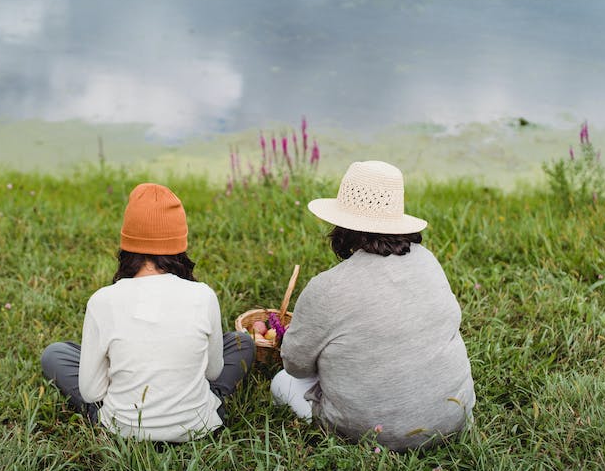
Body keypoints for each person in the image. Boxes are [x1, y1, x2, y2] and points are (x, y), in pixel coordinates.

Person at [271, 160, 475, 451]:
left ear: (343, 226)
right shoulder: (428, 260)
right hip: (453, 415)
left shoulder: (327, 287)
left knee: (281, 383)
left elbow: (296, 366)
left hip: (374, 432)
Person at [41, 183, 255, 442]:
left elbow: (91, 392)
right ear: (180, 245)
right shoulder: (203, 295)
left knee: (56, 354)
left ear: (126, 243)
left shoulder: (102, 300)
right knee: (242, 343)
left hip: (123, 429)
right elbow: (212, 372)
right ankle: (201, 403)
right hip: (196, 427)